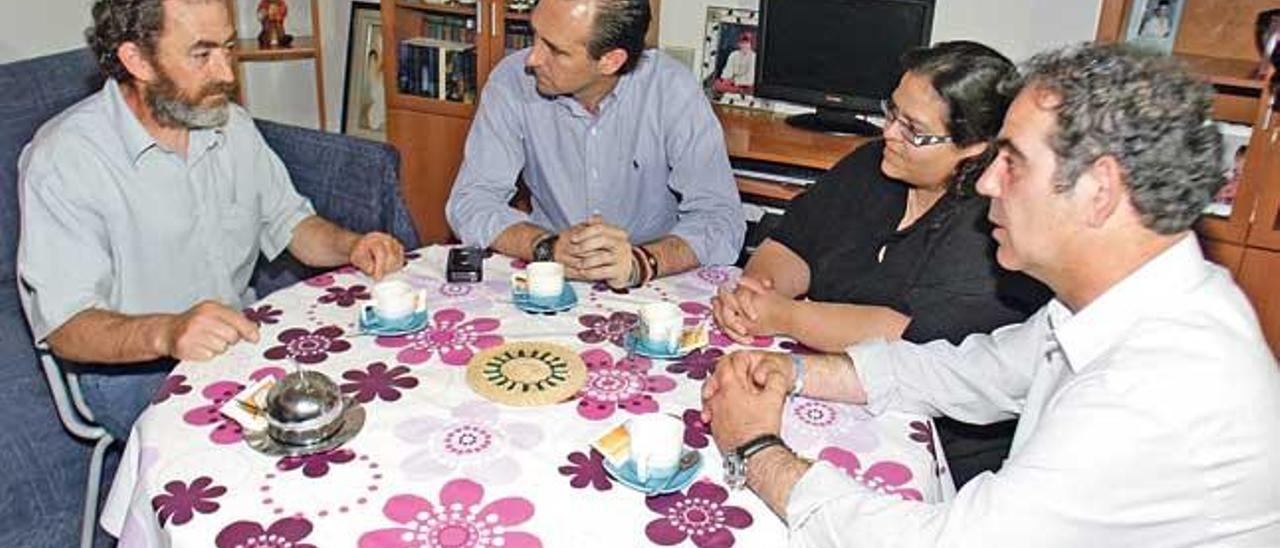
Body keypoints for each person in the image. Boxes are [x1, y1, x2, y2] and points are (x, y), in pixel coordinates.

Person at [701, 44, 1280, 545]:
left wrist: (755, 448)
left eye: (1013, 163)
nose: (984, 182)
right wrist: (795, 372)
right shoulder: (1119, 303)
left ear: (1098, 191)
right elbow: (974, 373)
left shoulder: (1155, 393)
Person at [17, 0, 406, 440]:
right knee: (272, 453)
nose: (227, 74)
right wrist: (169, 332)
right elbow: (69, 327)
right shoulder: (64, 159)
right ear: (136, 59)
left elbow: (292, 224)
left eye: (227, 48)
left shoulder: (229, 125)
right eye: (202, 54)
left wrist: (350, 245)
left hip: (239, 337)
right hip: (131, 369)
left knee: (372, 393)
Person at [712, 41, 1050, 487]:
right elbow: (798, 238)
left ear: (975, 149)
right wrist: (759, 288)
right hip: (829, 384)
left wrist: (786, 316)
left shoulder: (990, 225)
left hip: (928, 438)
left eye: (914, 130)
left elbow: (902, 333)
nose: (889, 133)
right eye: (892, 113)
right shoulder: (873, 164)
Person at [445, 0, 744, 290]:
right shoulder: (511, 81)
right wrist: (546, 247)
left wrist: (642, 262)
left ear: (610, 61)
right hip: (550, 273)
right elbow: (470, 202)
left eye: (555, 50)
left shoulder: (672, 90)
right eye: (535, 35)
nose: (531, 59)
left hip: (653, 280)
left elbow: (720, 218)